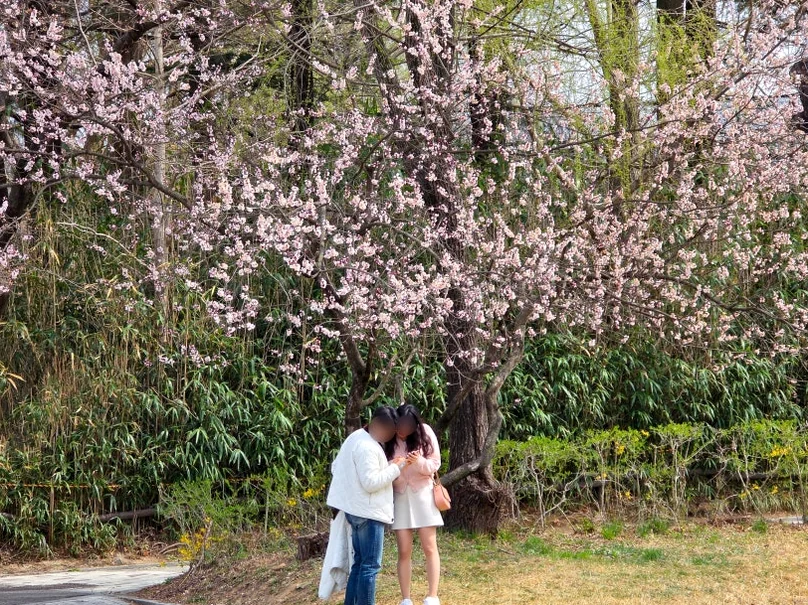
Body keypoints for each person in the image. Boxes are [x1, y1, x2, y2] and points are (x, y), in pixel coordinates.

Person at [327, 406, 410, 605]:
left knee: (360, 565)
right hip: (368, 513)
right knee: (370, 567)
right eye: (390, 432)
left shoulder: (356, 437)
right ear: (380, 426)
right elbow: (371, 483)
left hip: (355, 510)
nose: (390, 437)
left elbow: (336, 467)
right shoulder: (368, 447)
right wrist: (396, 467)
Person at [387, 404, 443, 605]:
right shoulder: (389, 438)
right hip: (401, 496)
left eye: (408, 427)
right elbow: (385, 472)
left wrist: (418, 461)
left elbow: (434, 465)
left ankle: (432, 595)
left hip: (424, 495)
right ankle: (406, 599)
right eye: (401, 426)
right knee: (404, 550)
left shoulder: (425, 432)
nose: (403, 431)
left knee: (429, 546)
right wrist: (400, 465)